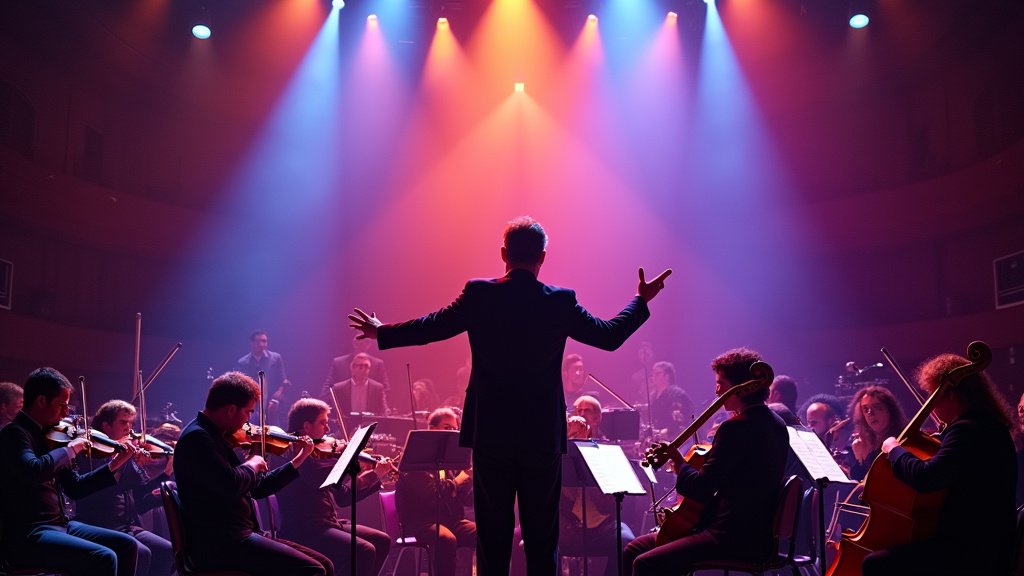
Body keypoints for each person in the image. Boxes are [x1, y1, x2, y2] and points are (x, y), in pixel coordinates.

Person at [349, 216, 670, 576]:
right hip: (541, 437)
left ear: (503, 253)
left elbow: (432, 327)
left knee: (493, 537)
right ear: (542, 257)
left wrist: (383, 332)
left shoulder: (479, 294)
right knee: (542, 539)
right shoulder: (560, 301)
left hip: (491, 434)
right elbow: (609, 336)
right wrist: (640, 300)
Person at [622, 348, 789, 576]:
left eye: (721, 383)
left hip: (730, 536)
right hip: (759, 536)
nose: (717, 390)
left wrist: (679, 462)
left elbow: (701, 488)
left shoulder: (735, 428)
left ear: (741, 387)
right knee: (636, 548)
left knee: (644, 562)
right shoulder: (777, 423)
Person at [862, 351, 1017, 576]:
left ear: (951, 395)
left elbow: (926, 477)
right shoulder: (990, 425)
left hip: (972, 550)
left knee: (876, 563)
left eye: (933, 395)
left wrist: (894, 449)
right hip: (995, 542)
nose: (930, 404)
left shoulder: (967, 429)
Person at [173, 371, 331, 576]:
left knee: (324, 564)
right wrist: (252, 464)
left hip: (239, 535)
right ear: (231, 409)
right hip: (222, 543)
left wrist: (297, 461)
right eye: (248, 412)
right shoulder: (198, 438)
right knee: (313, 570)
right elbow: (231, 484)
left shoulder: (217, 436)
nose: (249, 420)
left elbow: (257, 488)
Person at [0, 367, 139, 576]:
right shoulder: (14, 433)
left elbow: (75, 487)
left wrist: (115, 464)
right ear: (41, 401)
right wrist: (70, 449)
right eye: (62, 405)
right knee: (103, 557)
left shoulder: (50, 437)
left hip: (61, 525)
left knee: (127, 545)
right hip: (29, 533)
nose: (66, 413)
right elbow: (33, 470)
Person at [276, 398, 393, 576]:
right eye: (322, 422)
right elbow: (317, 477)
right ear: (306, 426)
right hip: (306, 528)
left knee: (381, 540)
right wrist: (346, 460)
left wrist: (373, 474)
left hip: (328, 522)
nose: (328, 429)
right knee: (364, 550)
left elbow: (343, 496)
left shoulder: (319, 455)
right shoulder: (295, 453)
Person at [74, 399, 174, 576]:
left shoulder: (124, 452)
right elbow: (99, 489)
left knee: (167, 551)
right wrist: (123, 461)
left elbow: (138, 497)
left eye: (130, 423)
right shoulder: (91, 454)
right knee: (142, 553)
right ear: (106, 425)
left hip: (127, 525)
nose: (129, 428)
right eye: (123, 422)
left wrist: (164, 474)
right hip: (100, 523)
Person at [396, 407, 476, 576]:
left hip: (451, 520)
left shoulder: (451, 459)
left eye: (455, 429)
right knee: (446, 539)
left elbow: (465, 500)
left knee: (488, 532)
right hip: (422, 522)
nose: (452, 433)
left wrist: (471, 480)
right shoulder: (415, 459)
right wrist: (461, 479)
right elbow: (432, 496)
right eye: (447, 428)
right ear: (432, 429)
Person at [562, 395, 634, 576]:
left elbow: (610, 505)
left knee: (627, 543)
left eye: (587, 411)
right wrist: (571, 444)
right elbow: (563, 495)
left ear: (598, 417)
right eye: (578, 410)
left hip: (602, 527)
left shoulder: (608, 450)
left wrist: (585, 447)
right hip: (569, 526)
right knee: (542, 541)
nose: (582, 414)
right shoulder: (562, 449)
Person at [847, 385, 907, 481]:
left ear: (890, 410)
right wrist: (859, 457)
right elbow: (858, 479)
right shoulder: (863, 442)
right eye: (865, 409)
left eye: (877, 407)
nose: (870, 413)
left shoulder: (901, 442)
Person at [237, 330, 291, 425]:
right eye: (258, 341)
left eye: (264, 341)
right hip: (253, 404)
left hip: (273, 403)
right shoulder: (243, 362)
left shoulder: (276, 358)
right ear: (251, 343)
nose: (262, 344)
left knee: (275, 429)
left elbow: (283, 380)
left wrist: (276, 397)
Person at [320, 353, 388, 416]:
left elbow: (383, 411)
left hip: (370, 424)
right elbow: (334, 413)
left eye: (366, 366)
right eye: (361, 366)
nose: (364, 369)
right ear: (352, 368)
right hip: (347, 424)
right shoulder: (338, 388)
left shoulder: (378, 388)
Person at [324, 333, 390, 393]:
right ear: (354, 342)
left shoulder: (378, 364)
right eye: (360, 340)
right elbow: (328, 389)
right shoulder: (339, 363)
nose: (363, 344)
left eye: (367, 341)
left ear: (370, 344)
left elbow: (385, 390)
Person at [648, 361, 694, 440]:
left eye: (657, 374)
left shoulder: (677, 394)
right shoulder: (652, 396)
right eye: (653, 374)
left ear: (667, 376)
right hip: (656, 439)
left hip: (674, 440)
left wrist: (668, 431)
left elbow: (684, 420)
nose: (653, 377)